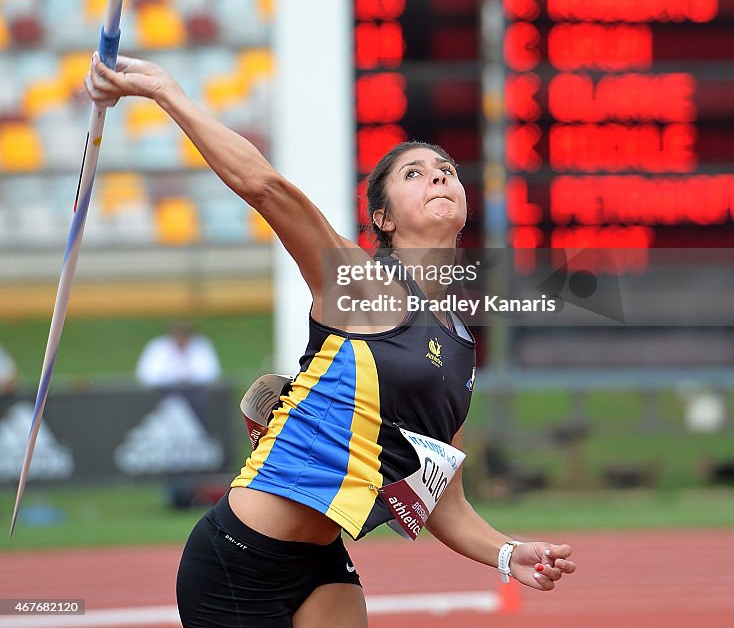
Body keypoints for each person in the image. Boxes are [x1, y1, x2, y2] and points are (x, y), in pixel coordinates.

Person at [85, 52, 576, 628]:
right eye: (414, 174)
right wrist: (167, 91)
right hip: (236, 560)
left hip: (319, 564)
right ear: (384, 219)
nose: (440, 175)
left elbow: (443, 500)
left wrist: (507, 552)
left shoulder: (463, 349)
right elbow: (265, 187)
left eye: (445, 169)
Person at [135, 321, 221, 388]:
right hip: (163, 396)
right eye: (178, 330)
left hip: (196, 397)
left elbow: (211, 375)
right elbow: (146, 376)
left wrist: (187, 379)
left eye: (184, 331)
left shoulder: (202, 345)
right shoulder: (157, 347)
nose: (181, 335)